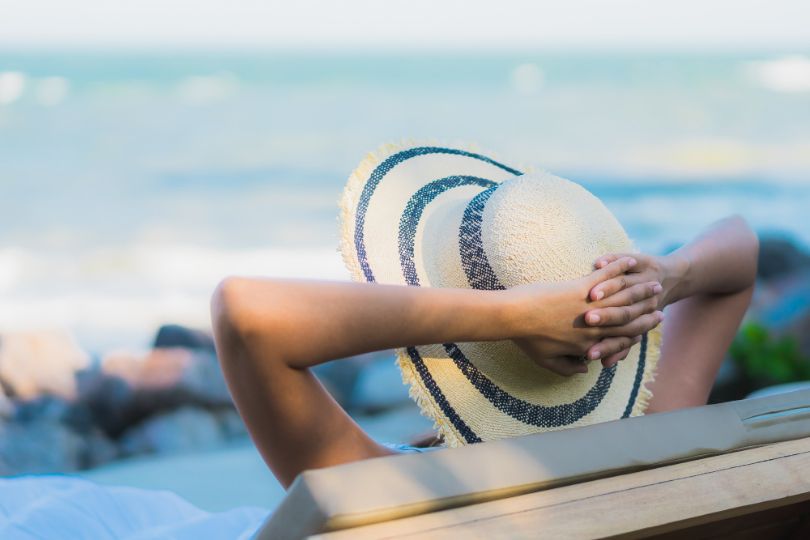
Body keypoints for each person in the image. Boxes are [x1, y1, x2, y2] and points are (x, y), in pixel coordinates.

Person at [210, 146, 758, 489]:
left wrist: (517, 315)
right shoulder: (650, 436)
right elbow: (741, 246)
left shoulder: (389, 494)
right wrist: (666, 274)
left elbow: (243, 313)